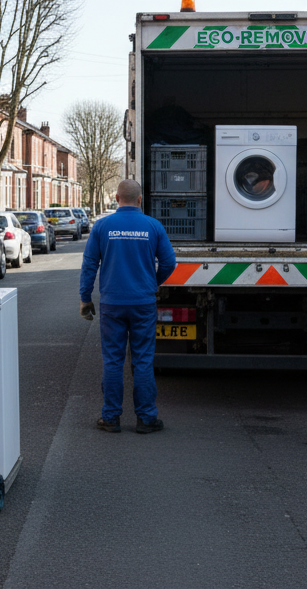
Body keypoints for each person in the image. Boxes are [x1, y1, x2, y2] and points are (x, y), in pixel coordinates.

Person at [78, 179, 178, 434]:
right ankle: (146, 418)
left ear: (116, 197)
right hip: (143, 302)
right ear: (140, 200)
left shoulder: (102, 226)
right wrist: (152, 282)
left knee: (113, 360)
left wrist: (85, 298)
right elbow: (169, 263)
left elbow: (90, 264)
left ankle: (111, 418)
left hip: (112, 303)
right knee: (143, 360)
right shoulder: (153, 226)